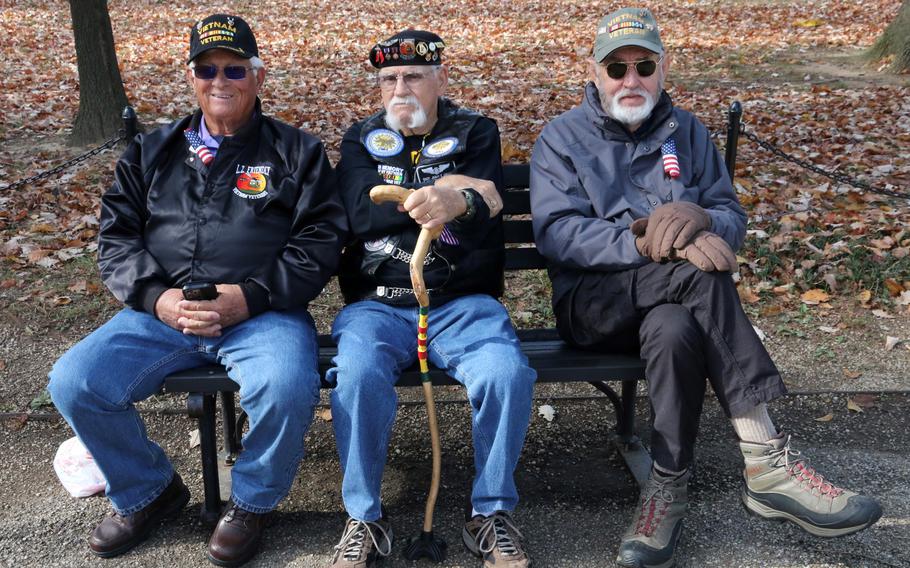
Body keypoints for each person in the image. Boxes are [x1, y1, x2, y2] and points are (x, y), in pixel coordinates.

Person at [530, 8, 882, 568]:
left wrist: (702, 221)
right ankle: (767, 460)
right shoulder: (561, 138)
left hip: (668, 307)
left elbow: (729, 216)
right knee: (699, 273)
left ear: (663, 68)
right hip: (594, 304)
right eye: (616, 67)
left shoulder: (687, 131)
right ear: (595, 72)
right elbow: (557, 234)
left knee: (675, 328)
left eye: (644, 65)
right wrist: (646, 242)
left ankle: (664, 490)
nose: (631, 80)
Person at [47, 14, 347, 567]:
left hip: (263, 314)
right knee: (75, 381)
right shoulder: (151, 152)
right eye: (207, 68)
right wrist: (157, 297)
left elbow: (320, 243)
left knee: (284, 384)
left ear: (257, 75)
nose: (220, 80)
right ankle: (148, 492)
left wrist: (249, 298)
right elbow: (115, 240)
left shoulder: (296, 153)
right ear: (192, 76)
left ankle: (253, 502)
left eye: (235, 68)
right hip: (160, 315)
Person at [327, 30, 536, 568]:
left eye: (414, 76)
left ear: (441, 79)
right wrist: (451, 194)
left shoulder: (475, 132)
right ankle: (364, 519)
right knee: (355, 371)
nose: (402, 88)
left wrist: (466, 196)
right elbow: (358, 210)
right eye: (389, 79)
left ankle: (490, 513)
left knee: (505, 372)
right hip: (376, 305)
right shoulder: (359, 139)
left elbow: (485, 211)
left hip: (462, 302)